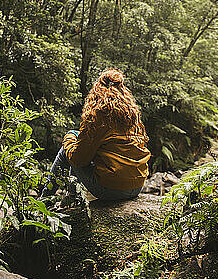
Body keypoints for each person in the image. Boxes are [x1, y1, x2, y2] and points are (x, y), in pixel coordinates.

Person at [42, 68, 151, 201]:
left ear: (97, 90)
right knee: (75, 139)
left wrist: (68, 138)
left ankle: (45, 201)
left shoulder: (98, 116)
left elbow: (78, 159)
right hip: (137, 186)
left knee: (68, 147)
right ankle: (72, 198)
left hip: (111, 189)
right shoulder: (132, 116)